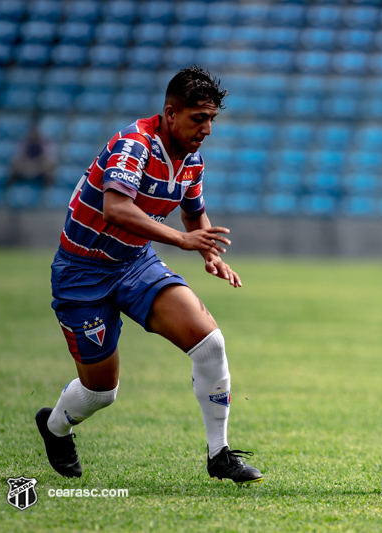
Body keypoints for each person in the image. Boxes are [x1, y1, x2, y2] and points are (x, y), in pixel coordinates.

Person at [35, 66, 263, 485]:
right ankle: (55, 426)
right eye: (199, 119)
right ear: (170, 113)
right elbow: (116, 209)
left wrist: (208, 252)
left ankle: (220, 454)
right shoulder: (133, 146)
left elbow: (194, 215)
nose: (207, 129)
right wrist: (181, 240)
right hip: (81, 273)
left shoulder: (191, 160)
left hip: (134, 263)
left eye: (212, 119)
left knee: (210, 342)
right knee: (101, 392)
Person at [7, 120, 57, 189]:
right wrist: (28, 163)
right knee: (16, 163)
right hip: (27, 164)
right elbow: (19, 154)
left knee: (48, 164)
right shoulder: (25, 140)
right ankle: (12, 184)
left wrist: (35, 163)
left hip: (39, 165)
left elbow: (49, 156)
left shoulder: (46, 141)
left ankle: (48, 186)